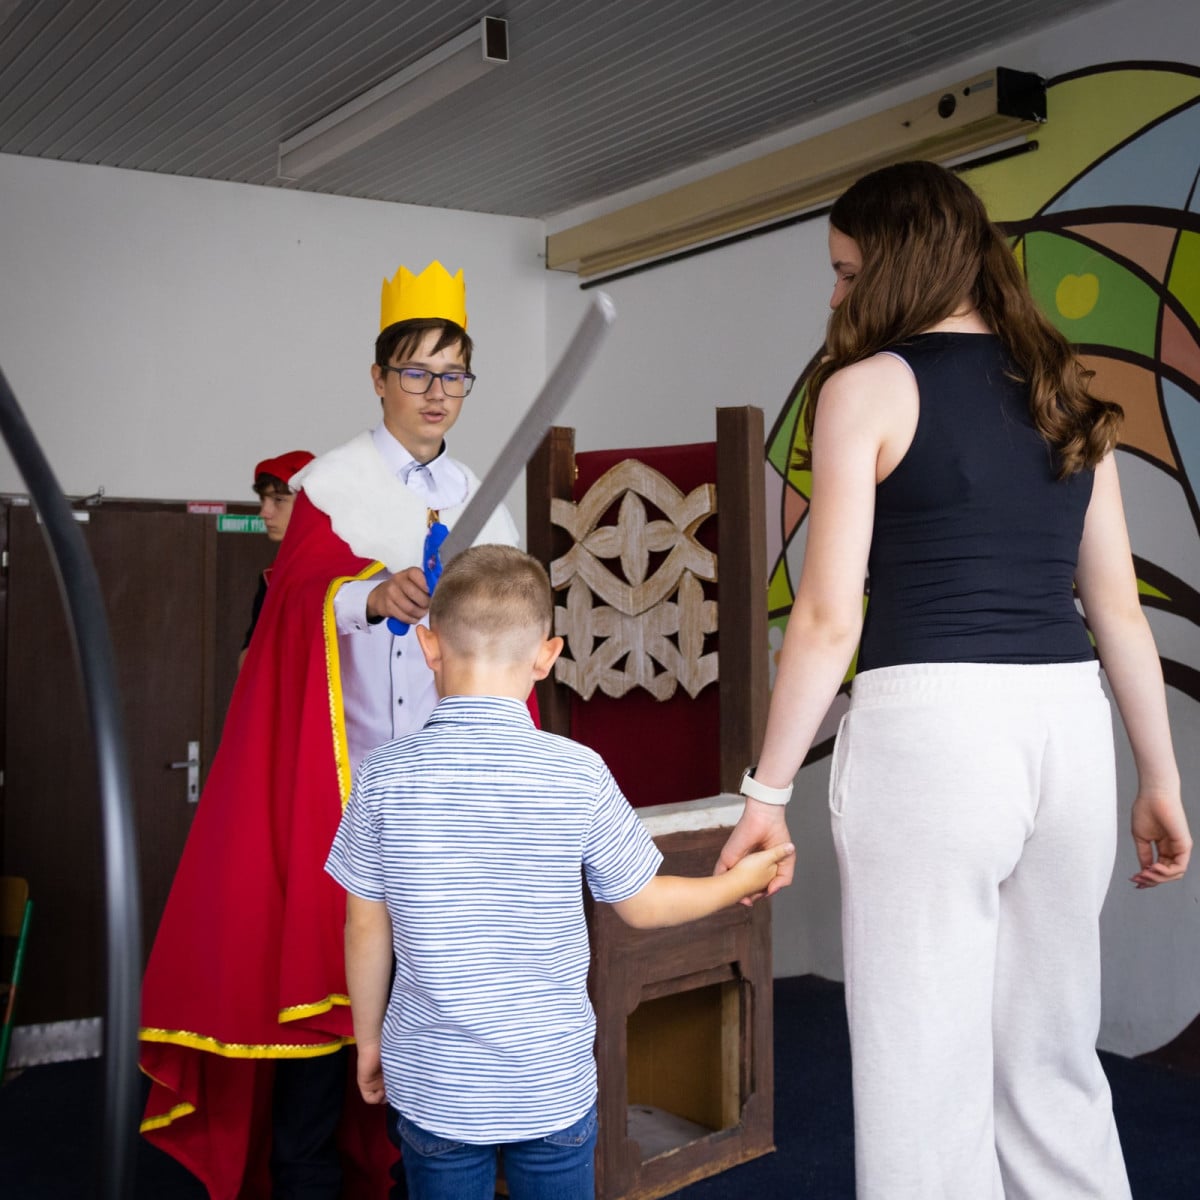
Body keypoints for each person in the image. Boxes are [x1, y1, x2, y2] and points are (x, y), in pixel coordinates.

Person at [717, 161, 1192, 1199]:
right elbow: (1119, 612)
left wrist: (765, 792)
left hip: (933, 733)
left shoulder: (864, 388)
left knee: (922, 1070)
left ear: (900, 264)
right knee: (1053, 1057)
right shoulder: (1064, 391)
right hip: (1069, 732)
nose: (835, 297)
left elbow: (829, 618)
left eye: (848, 272)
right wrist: (1160, 778)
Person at [140, 262, 529, 1199]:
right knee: (322, 1012)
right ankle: (308, 1177)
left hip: (444, 799)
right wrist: (371, 594)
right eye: (417, 371)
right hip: (338, 792)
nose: (436, 393)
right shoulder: (331, 484)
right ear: (379, 377)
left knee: (437, 1013)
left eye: (454, 375)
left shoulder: (485, 493)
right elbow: (293, 604)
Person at [324, 544, 795, 1200]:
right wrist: (738, 882)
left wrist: (369, 1040)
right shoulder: (577, 772)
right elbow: (641, 903)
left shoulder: (382, 776)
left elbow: (364, 926)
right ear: (547, 656)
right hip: (550, 1077)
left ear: (429, 646)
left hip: (435, 1078)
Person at [239, 449, 315, 669]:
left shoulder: (342, 571)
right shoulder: (271, 576)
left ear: (310, 503)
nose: (265, 512)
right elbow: (248, 656)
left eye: (278, 500)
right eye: (263, 500)